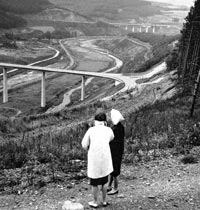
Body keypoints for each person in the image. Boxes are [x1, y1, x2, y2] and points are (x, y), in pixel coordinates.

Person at [82, 112, 114, 208]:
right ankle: (104, 200)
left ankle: (95, 201)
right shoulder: (108, 130)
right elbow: (112, 138)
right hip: (105, 156)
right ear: (104, 121)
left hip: (94, 157)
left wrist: (88, 149)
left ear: (95, 120)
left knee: (94, 182)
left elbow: (84, 144)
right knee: (105, 180)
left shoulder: (91, 130)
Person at [107, 109, 125, 195]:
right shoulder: (121, 127)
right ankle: (110, 186)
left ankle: (115, 188)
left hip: (114, 150)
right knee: (114, 168)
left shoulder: (113, 129)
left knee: (114, 170)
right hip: (119, 149)